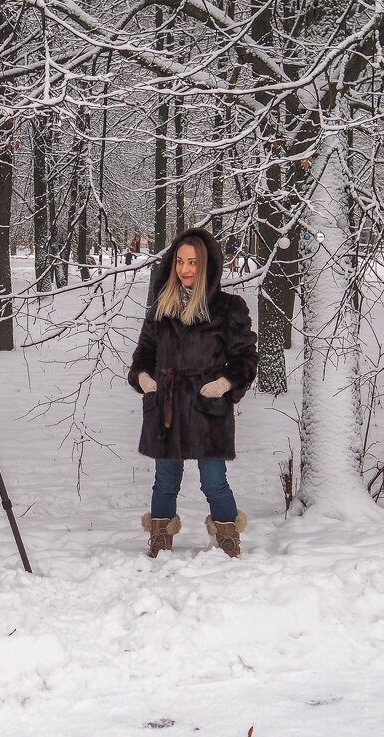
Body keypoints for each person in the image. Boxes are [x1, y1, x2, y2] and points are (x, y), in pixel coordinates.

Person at [128, 228, 258, 558]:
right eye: (180, 262)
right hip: (166, 405)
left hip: (207, 407)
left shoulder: (229, 308)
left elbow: (246, 358)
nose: (185, 269)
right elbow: (143, 355)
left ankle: (228, 537)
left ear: (207, 267)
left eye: (194, 263)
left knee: (214, 480)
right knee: (165, 480)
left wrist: (225, 384)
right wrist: (144, 378)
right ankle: (160, 537)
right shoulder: (161, 309)